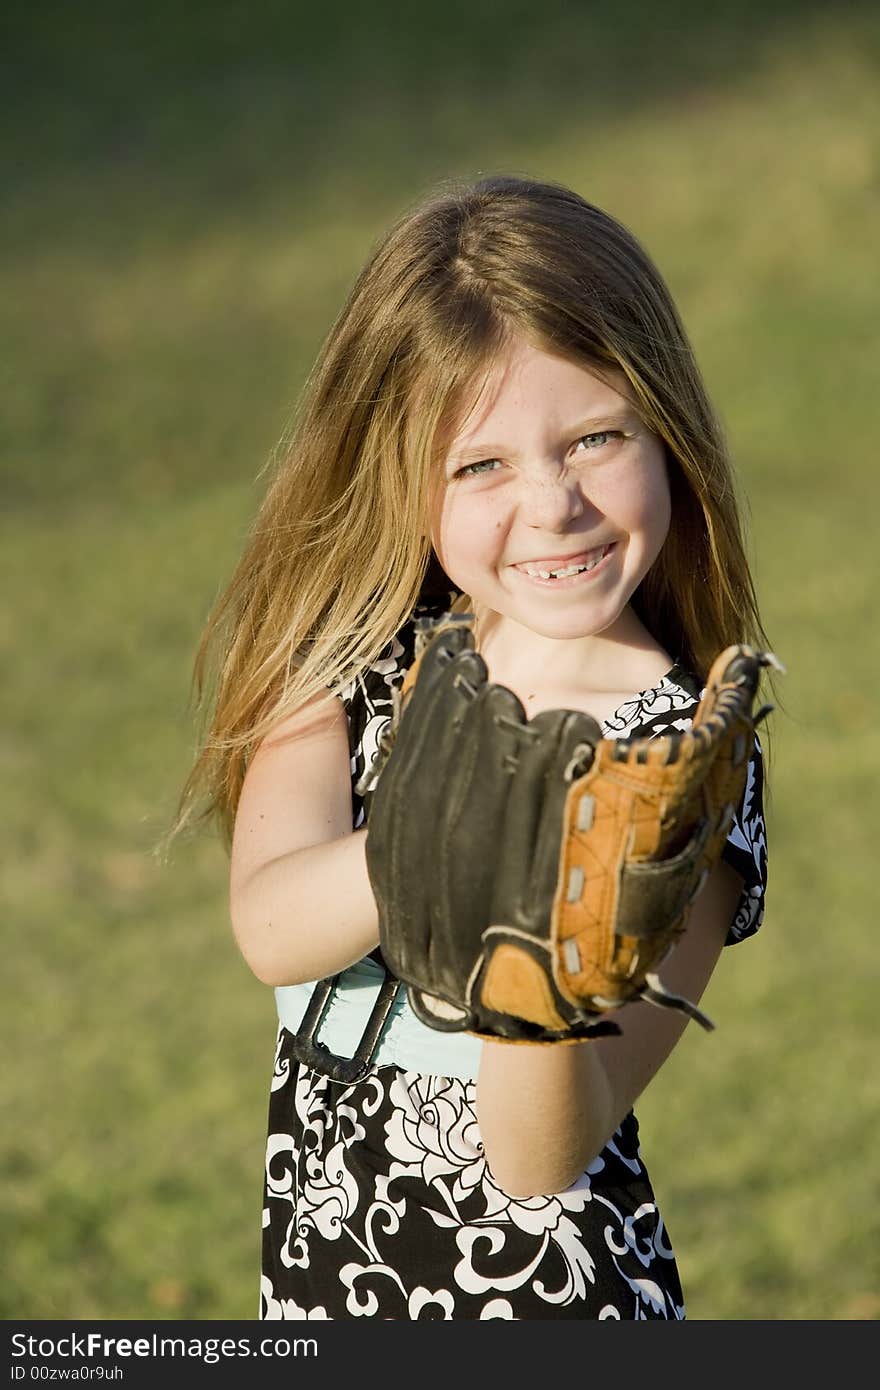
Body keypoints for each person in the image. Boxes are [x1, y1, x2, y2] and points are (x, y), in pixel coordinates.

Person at [170, 173, 774, 1320]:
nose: (552, 503)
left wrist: (538, 979)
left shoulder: (691, 760)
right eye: (480, 464)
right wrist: (446, 827)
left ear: (669, 434)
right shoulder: (355, 653)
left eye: (595, 437)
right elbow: (271, 926)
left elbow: (544, 1159)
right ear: (398, 477)